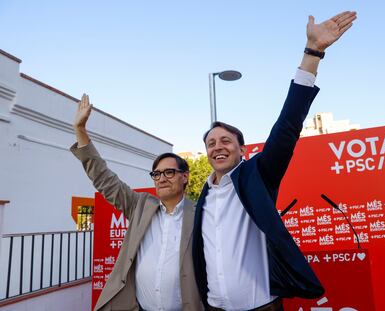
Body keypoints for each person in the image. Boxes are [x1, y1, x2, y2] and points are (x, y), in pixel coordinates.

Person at [192, 11, 357, 311]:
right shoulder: (202, 196)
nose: (218, 147)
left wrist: (313, 53)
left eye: (226, 141)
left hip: (263, 306)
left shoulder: (258, 175)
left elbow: (287, 126)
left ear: (242, 150)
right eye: (211, 143)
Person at [71, 94, 202, 311]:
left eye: (169, 172)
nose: (161, 178)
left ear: (185, 176)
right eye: (156, 174)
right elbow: (104, 178)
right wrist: (80, 130)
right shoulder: (141, 206)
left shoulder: (200, 215)